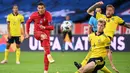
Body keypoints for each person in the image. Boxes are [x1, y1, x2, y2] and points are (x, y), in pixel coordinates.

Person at [74, 7, 112, 73]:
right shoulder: (92, 18)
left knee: (85, 68)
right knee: (90, 59)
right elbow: (89, 27)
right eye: (97, 11)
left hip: (101, 43)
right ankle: (82, 66)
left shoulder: (104, 19)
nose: (98, 12)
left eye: (99, 11)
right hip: (94, 38)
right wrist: (89, 35)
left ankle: (81, 66)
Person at [25, 2, 54, 73]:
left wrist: (45, 27)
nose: (40, 10)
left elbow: (52, 27)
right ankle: (49, 55)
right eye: (39, 8)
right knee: (44, 38)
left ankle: (45, 71)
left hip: (46, 34)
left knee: (45, 51)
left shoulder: (48, 15)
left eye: (42, 8)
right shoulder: (34, 15)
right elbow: (28, 22)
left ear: (45, 8)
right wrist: (27, 32)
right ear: (37, 9)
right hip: (37, 33)